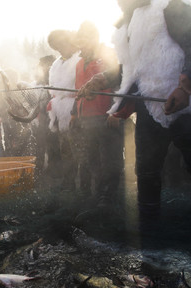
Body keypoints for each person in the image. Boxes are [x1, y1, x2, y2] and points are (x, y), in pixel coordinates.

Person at [80, 0, 191, 244]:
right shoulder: (127, 23)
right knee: (146, 170)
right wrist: (101, 80)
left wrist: (185, 87)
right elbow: (128, 68)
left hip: (186, 103)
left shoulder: (171, 7)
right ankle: (149, 227)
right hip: (149, 104)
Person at [71, 21, 123, 207]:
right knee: (93, 158)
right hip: (86, 118)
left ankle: (111, 196)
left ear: (95, 37)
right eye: (80, 39)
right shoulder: (78, 64)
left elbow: (121, 86)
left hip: (107, 115)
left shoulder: (108, 56)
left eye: (86, 38)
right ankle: (100, 192)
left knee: (111, 158)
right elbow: (78, 91)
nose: (82, 43)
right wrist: (74, 114)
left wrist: (117, 112)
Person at [47, 29, 81, 191]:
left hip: (76, 109)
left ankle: (84, 184)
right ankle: (69, 183)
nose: (59, 48)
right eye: (56, 46)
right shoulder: (56, 64)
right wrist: (53, 103)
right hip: (60, 112)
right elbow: (54, 89)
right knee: (65, 149)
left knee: (79, 150)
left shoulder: (79, 59)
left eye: (61, 44)